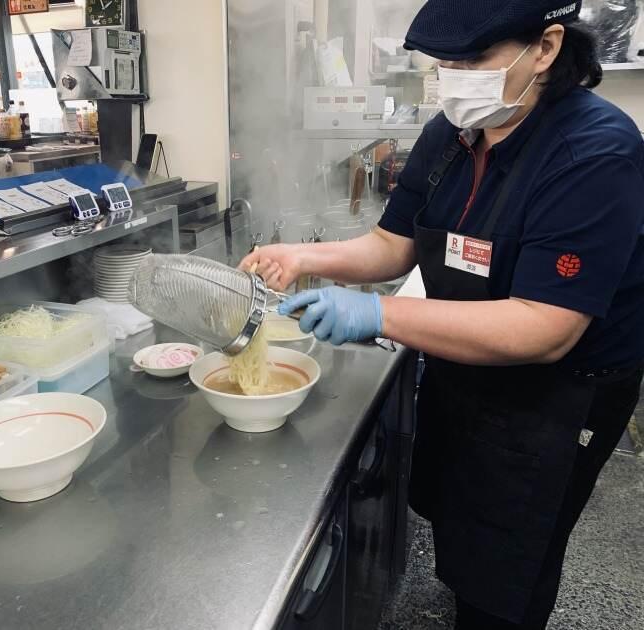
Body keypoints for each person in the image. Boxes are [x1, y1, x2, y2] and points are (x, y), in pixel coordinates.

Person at [240, 1, 644, 628]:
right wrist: (300, 254)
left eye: (472, 59)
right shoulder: (453, 134)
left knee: (510, 562)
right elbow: (392, 245)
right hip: (468, 360)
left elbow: (545, 327)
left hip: (557, 396)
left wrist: (377, 315)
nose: (454, 77)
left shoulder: (595, 154)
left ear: (545, 48)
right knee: (460, 517)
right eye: (444, 62)